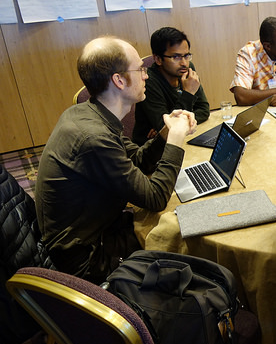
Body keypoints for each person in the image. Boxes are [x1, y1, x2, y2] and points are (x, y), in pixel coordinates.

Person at [35, 36, 197, 284]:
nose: (146, 76)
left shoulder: (87, 113)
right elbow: (155, 198)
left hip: (98, 228)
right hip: (91, 260)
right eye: (141, 70)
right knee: (182, 238)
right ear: (119, 80)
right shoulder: (93, 138)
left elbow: (138, 160)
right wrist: (176, 138)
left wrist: (166, 133)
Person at [132, 27, 209, 145]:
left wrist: (170, 127)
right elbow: (170, 128)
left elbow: (204, 110)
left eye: (186, 55)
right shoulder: (148, 81)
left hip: (181, 139)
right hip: (150, 150)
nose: (184, 63)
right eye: (176, 57)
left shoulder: (188, 70)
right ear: (158, 59)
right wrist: (188, 93)